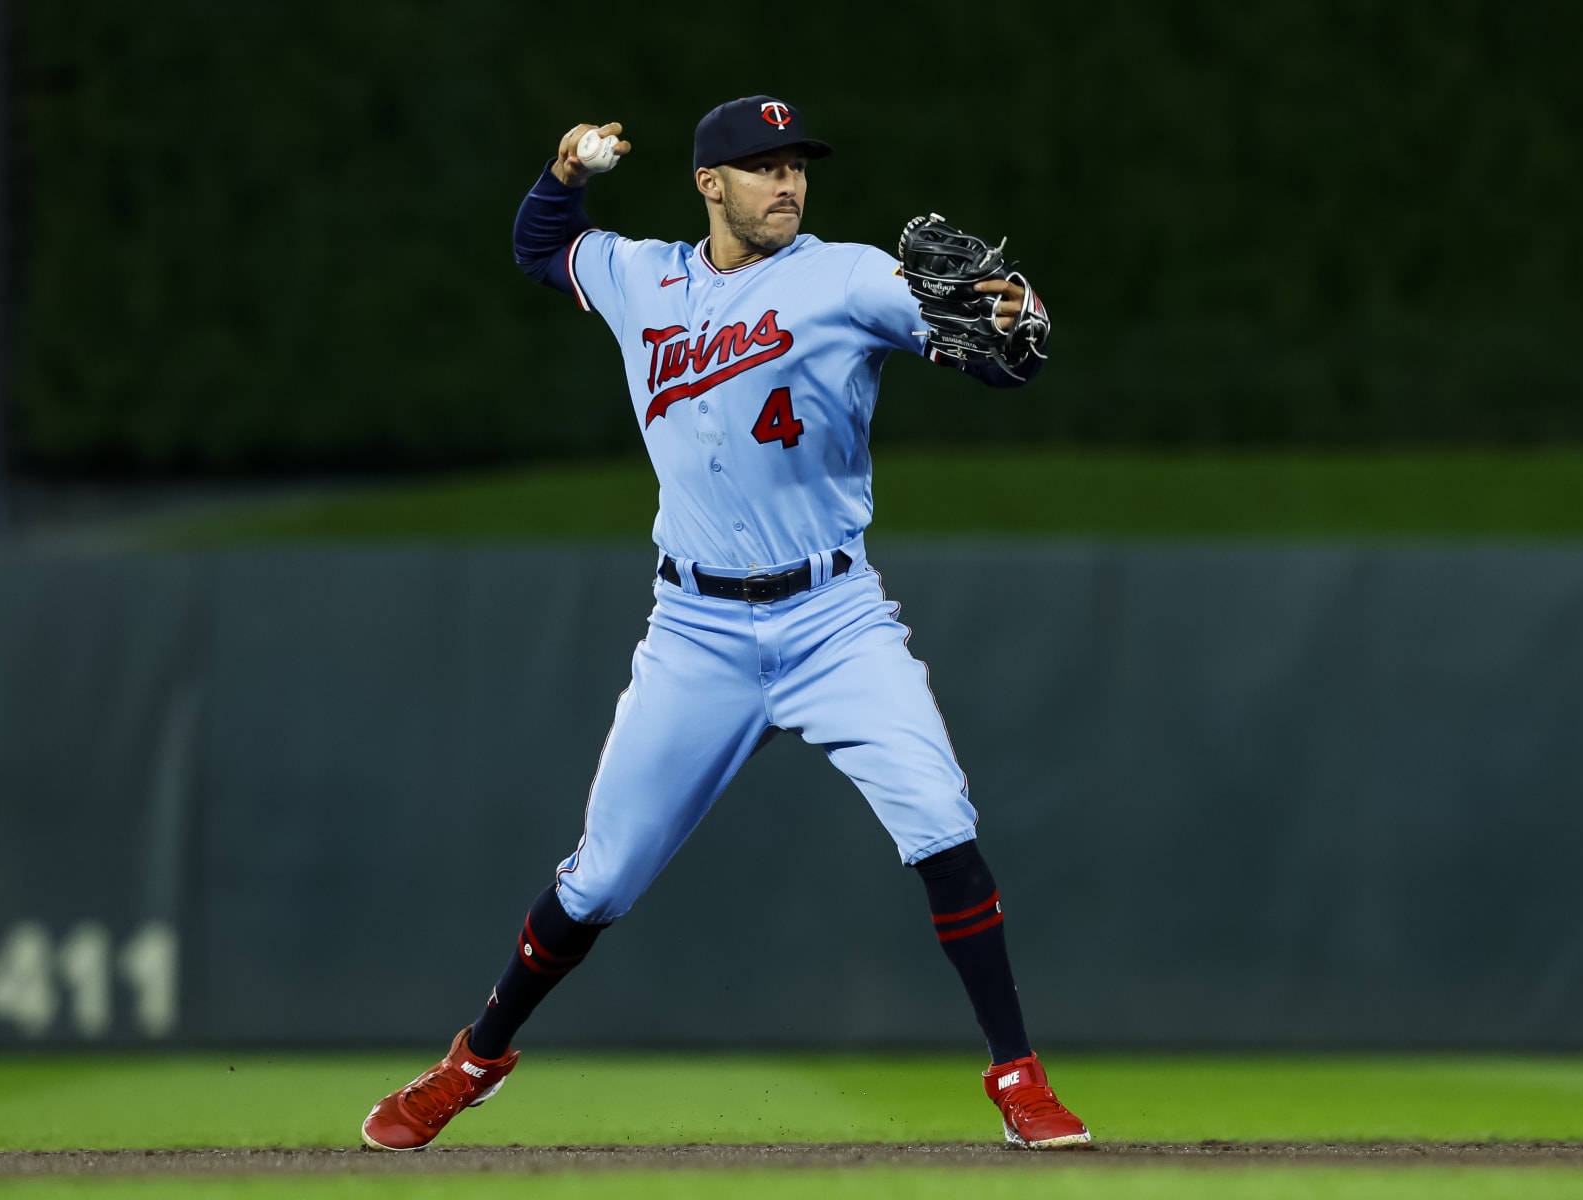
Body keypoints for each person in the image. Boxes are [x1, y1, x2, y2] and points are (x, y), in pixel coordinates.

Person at [361, 95, 1090, 1152]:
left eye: (797, 164)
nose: (787, 181)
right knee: (598, 880)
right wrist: (566, 173)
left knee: (941, 820)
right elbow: (539, 245)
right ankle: (472, 1063)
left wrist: (1008, 319)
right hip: (694, 630)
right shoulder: (641, 275)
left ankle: (1018, 1078)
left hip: (834, 615)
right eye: (762, 166)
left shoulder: (845, 276)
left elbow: (978, 349)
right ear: (711, 185)